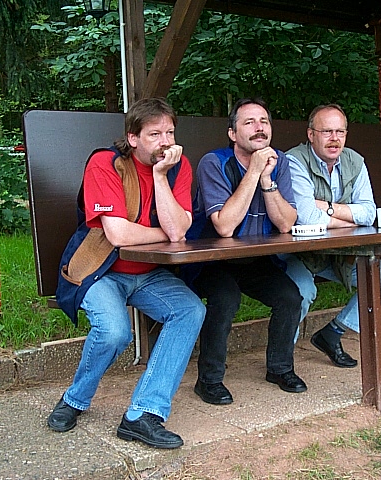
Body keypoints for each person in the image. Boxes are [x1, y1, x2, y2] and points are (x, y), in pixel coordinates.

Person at [48, 97, 205, 449]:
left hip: (149, 274)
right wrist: (166, 232)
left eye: (170, 132)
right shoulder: (106, 163)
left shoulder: (177, 166)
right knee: (115, 332)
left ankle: (143, 414)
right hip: (101, 271)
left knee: (190, 309)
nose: (165, 142)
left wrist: (161, 176)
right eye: (154, 134)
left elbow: (179, 232)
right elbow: (118, 235)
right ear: (133, 138)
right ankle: (74, 399)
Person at [185, 97, 306, 405]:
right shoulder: (214, 163)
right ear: (232, 133)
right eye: (249, 122)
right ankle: (209, 380)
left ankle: (280, 369)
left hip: (255, 260)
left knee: (290, 297)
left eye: (264, 122)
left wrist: (266, 179)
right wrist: (253, 172)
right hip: (210, 259)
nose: (259, 128)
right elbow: (225, 226)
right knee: (226, 298)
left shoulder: (279, 163)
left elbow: (286, 223)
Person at [283, 103, 381, 368]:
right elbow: (308, 219)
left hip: (337, 255)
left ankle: (333, 333)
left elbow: (369, 213)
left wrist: (328, 208)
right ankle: (282, 358)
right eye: (327, 132)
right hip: (298, 254)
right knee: (301, 291)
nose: (334, 139)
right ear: (311, 134)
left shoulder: (355, 161)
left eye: (340, 132)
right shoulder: (294, 161)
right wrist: (347, 217)